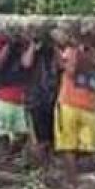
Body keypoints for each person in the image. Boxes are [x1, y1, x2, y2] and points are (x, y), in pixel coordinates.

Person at [53, 41, 95, 186]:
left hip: (89, 105)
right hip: (68, 102)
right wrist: (76, 50)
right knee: (68, 145)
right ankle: (72, 182)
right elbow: (70, 71)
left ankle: (86, 180)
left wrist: (92, 52)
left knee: (89, 146)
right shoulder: (71, 50)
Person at [0, 34, 35, 155]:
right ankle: (0, 162)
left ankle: (8, 160)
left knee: (19, 135)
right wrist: (8, 44)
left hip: (17, 95)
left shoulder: (22, 42)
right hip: (0, 95)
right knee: (1, 136)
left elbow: (26, 63)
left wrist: (31, 44)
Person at [27, 39, 60, 167]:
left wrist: (55, 47)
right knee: (41, 140)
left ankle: (49, 165)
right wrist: (33, 46)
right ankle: (41, 167)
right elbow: (27, 63)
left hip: (52, 98)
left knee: (52, 139)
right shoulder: (33, 51)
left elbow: (62, 65)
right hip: (37, 99)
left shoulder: (54, 53)